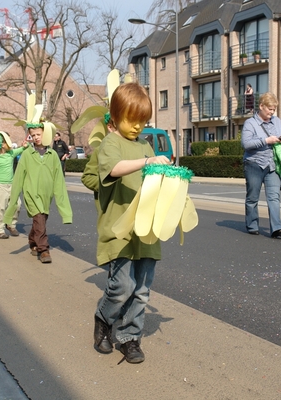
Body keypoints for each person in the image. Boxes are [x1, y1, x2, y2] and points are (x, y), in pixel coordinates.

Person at [92, 82, 171, 364]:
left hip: (146, 228)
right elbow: (114, 169)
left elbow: (155, 178)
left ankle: (129, 338)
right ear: (114, 116)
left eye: (143, 121)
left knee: (142, 290)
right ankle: (104, 317)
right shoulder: (110, 143)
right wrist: (146, 160)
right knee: (123, 287)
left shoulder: (145, 144)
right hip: (120, 229)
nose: (137, 127)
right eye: (131, 120)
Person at [3, 108, 72, 264]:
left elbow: (59, 181)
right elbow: (19, 178)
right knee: (39, 219)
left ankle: (33, 242)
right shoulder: (27, 154)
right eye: (32, 135)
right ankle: (43, 250)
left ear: (45, 134)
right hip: (31, 194)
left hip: (46, 196)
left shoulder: (53, 155)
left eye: (38, 134)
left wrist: (65, 210)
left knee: (40, 221)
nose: (35, 137)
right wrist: (12, 202)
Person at [241, 92, 281, 238]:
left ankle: (277, 227)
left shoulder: (277, 122)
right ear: (261, 106)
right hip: (254, 164)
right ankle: (252, 224)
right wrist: (266, 141)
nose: (272, 112)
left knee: (274, 197)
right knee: (253, 197)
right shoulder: (250, 123)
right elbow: (246, 143)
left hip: (273, 165)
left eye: (274, 109)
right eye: (270, 109)